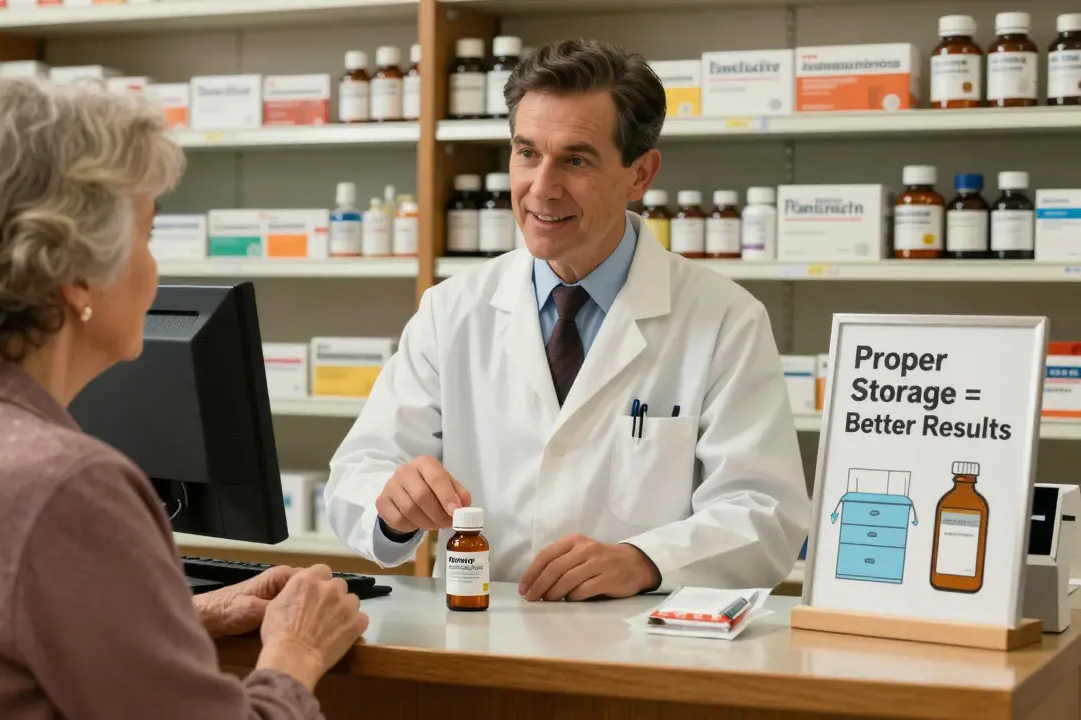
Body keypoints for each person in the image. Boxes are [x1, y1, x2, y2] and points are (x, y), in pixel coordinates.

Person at [0, 78, 366, 719]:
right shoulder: (64, 488)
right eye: (147, 235)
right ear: (77, 275)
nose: (155, 270)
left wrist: (180, 614)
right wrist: (295, 651)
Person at [325, 39, 811, 602]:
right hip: (479, 641)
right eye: (527, 153)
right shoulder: (452, 310)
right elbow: (356, 475)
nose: (542, 187)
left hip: (643, 649)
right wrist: (393, 503)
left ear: (640, 174)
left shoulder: (725, 319)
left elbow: (765, 514)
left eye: (576, 160)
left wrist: (647, 560)